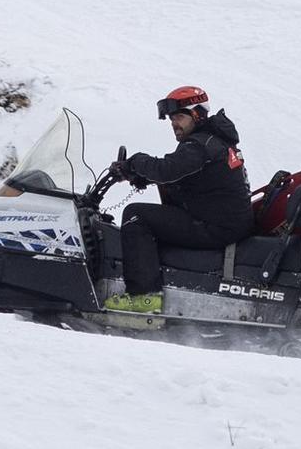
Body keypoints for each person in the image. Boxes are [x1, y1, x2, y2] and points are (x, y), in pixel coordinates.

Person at [105, 85, 255, 313]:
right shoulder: (213, 141)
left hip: (215, 226)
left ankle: (144, 299)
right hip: (223, 221)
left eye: (179, 116)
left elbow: (168, 169)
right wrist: (140, 177)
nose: (174, 123)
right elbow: (189, 179)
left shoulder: (200, 145)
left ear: (197, 114)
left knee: (136, 215)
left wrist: (134, 163)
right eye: (171, 118)